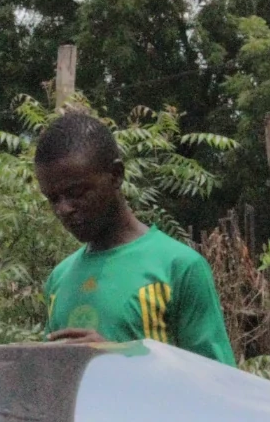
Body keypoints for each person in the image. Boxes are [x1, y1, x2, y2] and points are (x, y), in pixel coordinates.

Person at [34, 109, 238, 365]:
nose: (64, 209)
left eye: (76, 192)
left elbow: (218, 381)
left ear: (116, 175)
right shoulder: (59, 279)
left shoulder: (179, 267)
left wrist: (119, 359)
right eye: (53, 198)